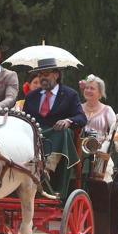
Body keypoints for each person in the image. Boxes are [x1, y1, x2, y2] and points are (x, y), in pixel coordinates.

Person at [23, 58, 86, 198]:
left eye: (45, 74)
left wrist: (68, 121)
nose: (41, 78)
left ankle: (46, 171)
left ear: (56, 75)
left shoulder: (70, 94)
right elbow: (25, 119)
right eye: (39, 75)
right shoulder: (31, 96)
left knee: (62, 131)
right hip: (35, 136)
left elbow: (82, 118)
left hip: (58, 136)